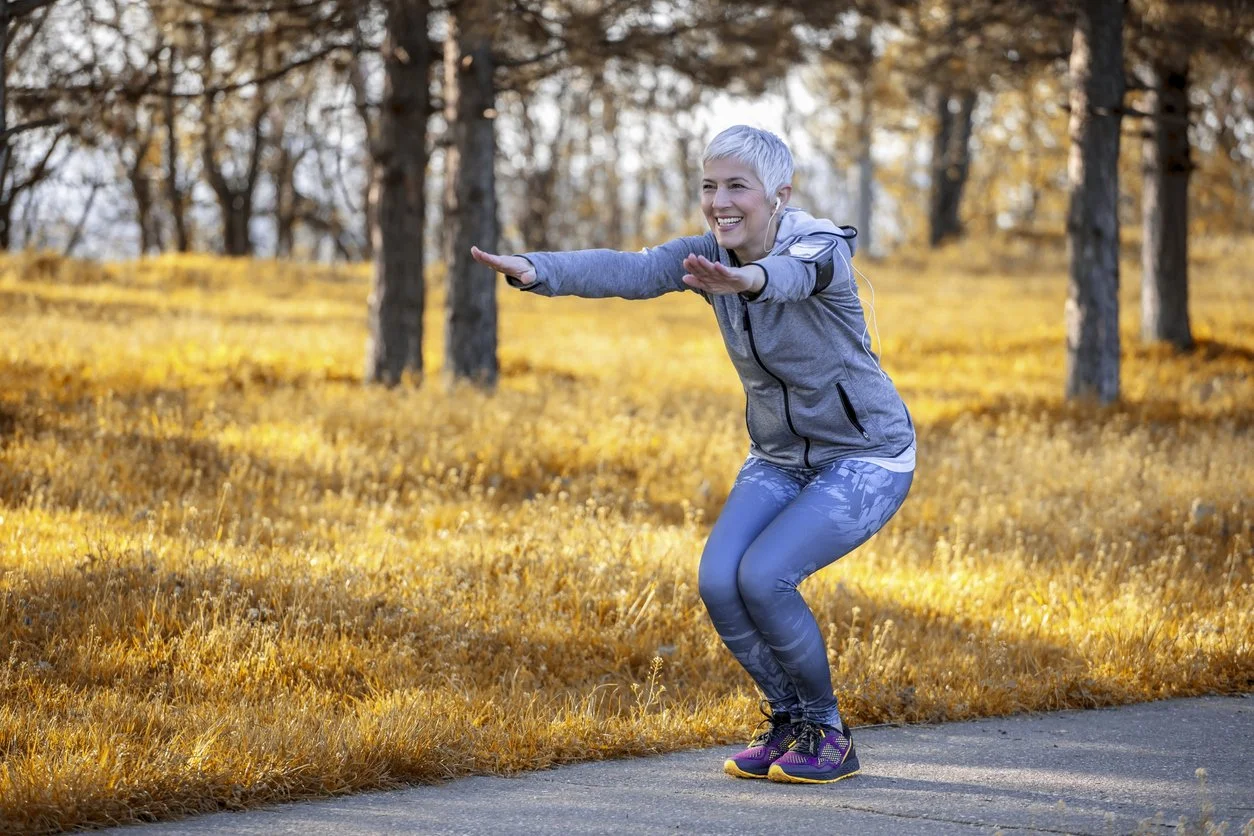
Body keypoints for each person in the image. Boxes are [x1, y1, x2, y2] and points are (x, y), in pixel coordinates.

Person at [471, 125, 915, 785]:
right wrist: (542, 270)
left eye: (737, 186)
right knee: (718, 582)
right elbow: (634, 268)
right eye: (710, 186)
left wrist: (748, 279)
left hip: (868, 456)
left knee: (764, 577)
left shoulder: (816, 244)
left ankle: (828, 731)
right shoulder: (708, 254)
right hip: (780, 454)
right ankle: (788, 719)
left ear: (779, 194)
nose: (719, 200)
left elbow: (795, 277)